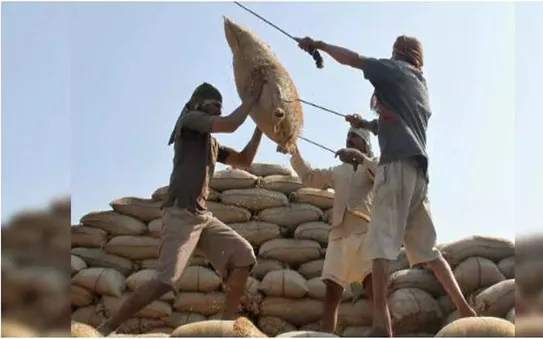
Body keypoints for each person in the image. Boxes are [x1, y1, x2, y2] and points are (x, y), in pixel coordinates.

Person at [295, 36, 477, 336]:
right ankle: (464, 309)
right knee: (429, 250)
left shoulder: (392, 71)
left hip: (394, 170)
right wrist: (366, 124)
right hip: (419, 175)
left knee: (379, 248)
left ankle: (381, 325)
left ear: (398, 55)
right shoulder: (420, 86)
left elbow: (353, 58)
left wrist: (319, 45)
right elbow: (390, 123)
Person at [97, 76, 266, 336]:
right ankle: (107, 328)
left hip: (201, 217)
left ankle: (226, 327)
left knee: (244, 256)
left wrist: (261, 128)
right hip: (179, 213)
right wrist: (251, 101)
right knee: (165, 281)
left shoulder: (211, 142)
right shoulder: (189, 122)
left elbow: (244, 160)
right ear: (197, 104)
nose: (218, 111)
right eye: (213, 106)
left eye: (220, 108)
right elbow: (231, 124)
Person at [280, 127, 377, 334]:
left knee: (374, 290)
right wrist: (294, 151)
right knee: (332, 293)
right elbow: (310, 177)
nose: (349, 139)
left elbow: (383, 177)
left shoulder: (372, 165)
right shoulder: (337, 171)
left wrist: (360, 158)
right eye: (347, 136)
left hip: (364, 234)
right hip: (339, 235)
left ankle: (384, 332)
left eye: (354, 136)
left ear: (365, 143)